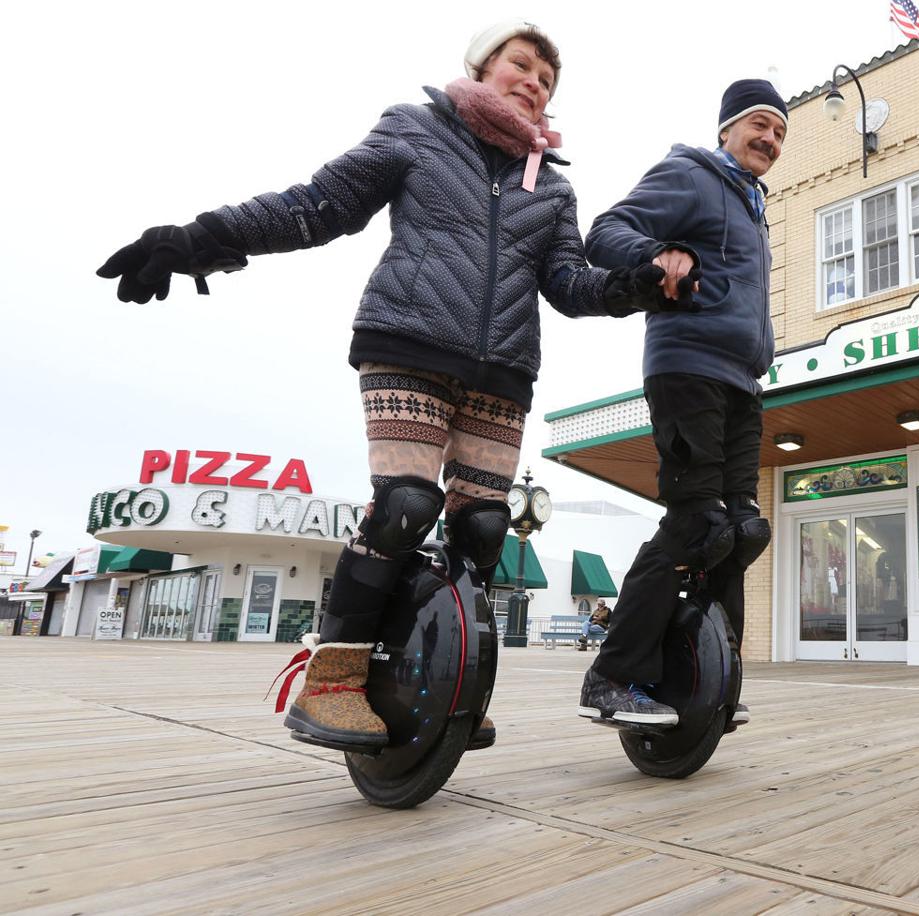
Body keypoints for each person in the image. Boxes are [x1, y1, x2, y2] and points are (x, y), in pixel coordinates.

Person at [98, 19, 676, 752]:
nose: (534, 83)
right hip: (407, 341)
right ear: (481, 66)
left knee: (484, 529)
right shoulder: (417, 129)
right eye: (520, 65)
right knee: (405, 505)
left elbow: (567, 282)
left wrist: (635, 285)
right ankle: (332, 682)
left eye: (547, 80)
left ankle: (450, 677)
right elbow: (318, 205)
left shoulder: (552, 187)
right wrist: (199, 241)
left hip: (503, 371)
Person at [577, 79, 788, 726]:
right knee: (697, 522)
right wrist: (656, 253)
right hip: (687, 367)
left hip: (741, 381)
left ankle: (712, 682)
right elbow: (607, 231)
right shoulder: (692, 175)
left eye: (780, 132)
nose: (771, 140)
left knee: (741, 531)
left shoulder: (752, 206)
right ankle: (611, 675)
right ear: (726, 128)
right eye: (760, 125)